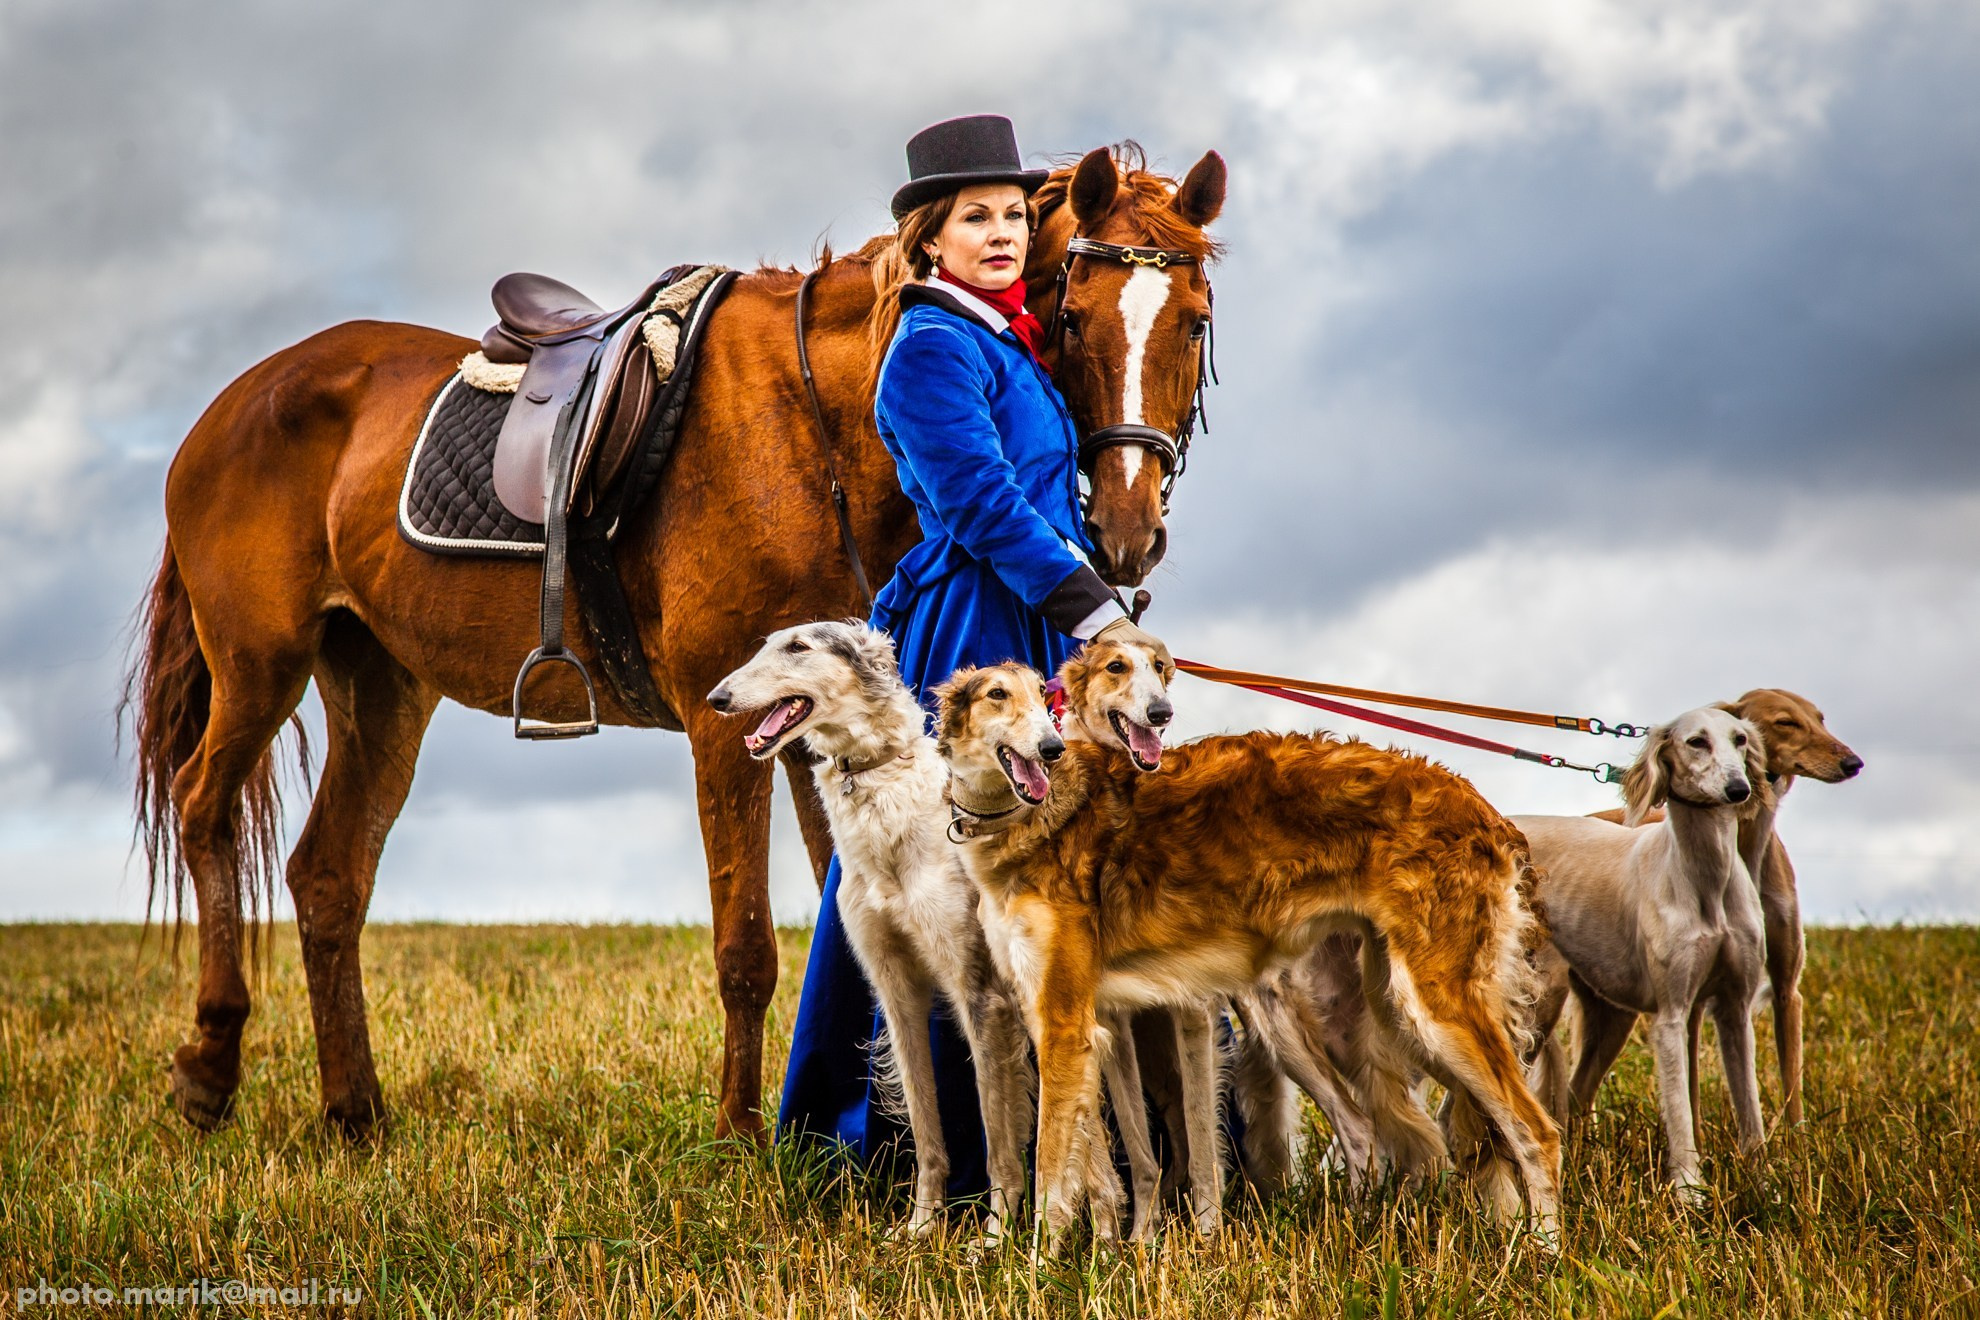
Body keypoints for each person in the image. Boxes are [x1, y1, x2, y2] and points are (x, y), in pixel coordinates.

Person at [777, 115, 1166, 1199]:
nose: (1000, 235)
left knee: (1047, 875)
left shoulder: (1003, 339)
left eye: (1010, 218)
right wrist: (1094, 612)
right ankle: (904, 1149)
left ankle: (1072, 1146)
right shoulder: (930, 348)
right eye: (974, 219)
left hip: (1037, 622)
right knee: (944, 883)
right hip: (971, 633)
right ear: (929, 239)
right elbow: (982, 505)